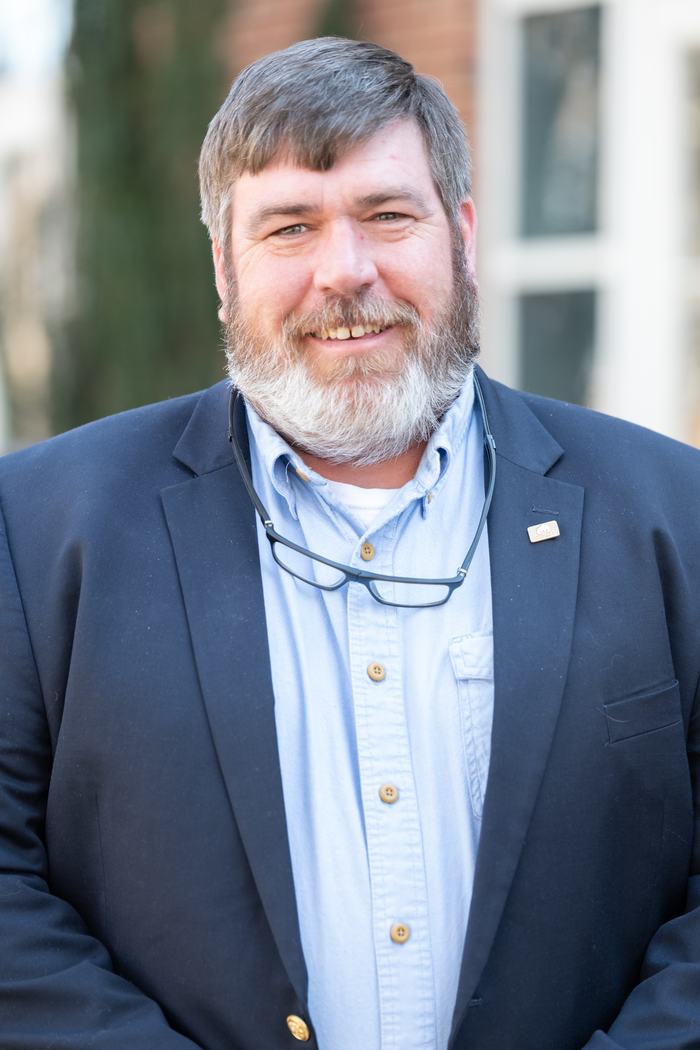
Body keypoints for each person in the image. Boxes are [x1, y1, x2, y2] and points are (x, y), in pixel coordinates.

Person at [0, 35, 698, 1050]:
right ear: (224, 269)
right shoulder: (38, 529)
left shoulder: (672, 514)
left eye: (387, 215)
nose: (346, 271)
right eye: (288, 227)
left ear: (459, 233)